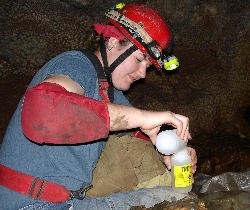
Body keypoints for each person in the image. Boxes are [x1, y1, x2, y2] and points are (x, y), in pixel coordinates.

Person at [0, 3, 197, 210]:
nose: (142, 73)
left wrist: (170, 152)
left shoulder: (112, 94)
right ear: (112, 42)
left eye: (147, 66)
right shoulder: (76, 65)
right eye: (139, 59)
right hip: (29, 204)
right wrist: (143, 117)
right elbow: (44, 114)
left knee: (175, 199)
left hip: (71, 202)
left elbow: (133, 136)